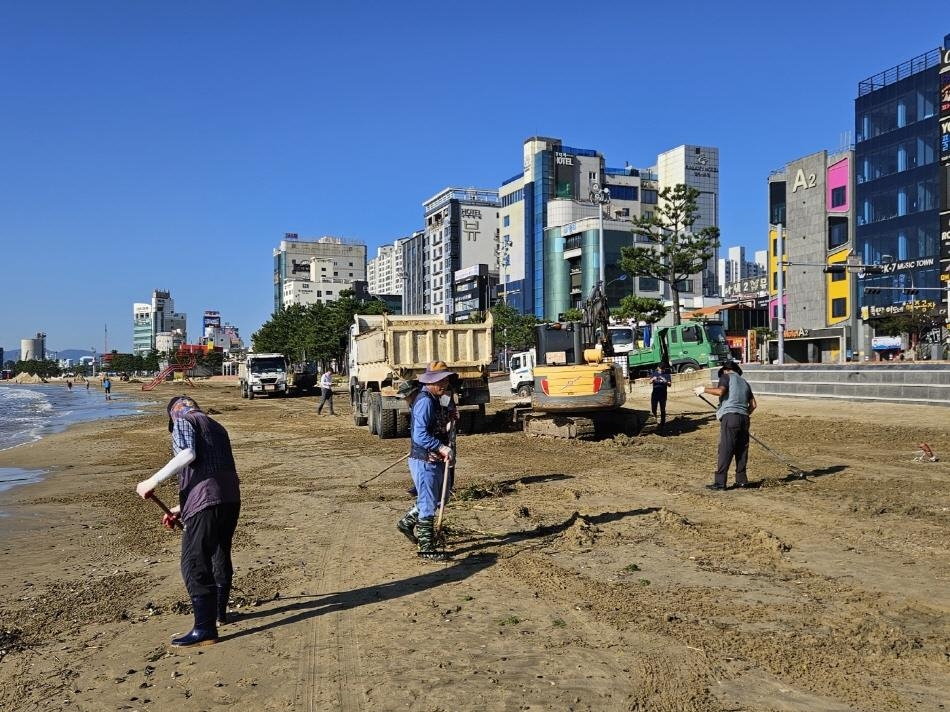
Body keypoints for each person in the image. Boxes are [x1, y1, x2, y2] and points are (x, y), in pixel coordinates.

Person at [135, 396, 241, 647]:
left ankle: (204, 629)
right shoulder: (217, 426)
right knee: (219, 553)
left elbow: (188, 453)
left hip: (207, 500)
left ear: (173, 413)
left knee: (194, 562)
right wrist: (181, 508)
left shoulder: (184, 421)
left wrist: (152, 481)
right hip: (229, 499)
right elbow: (214, 472)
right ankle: (218, 614)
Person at [405, 366, 455, 561]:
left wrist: (449, 417)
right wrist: (441, 447)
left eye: (446, 380)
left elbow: (441, 421)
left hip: (436, 459)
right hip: (425, 459)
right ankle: (426, 547)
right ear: (430, 382)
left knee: (436, 499)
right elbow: (420, 435)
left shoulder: (437, 399)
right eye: (441, 381)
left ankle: (406, 522)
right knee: (427, 503)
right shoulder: (425, 401)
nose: (445, 384)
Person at [694, 360, 756, 490]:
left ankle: (720, 482)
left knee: (725, 449)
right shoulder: (745, 383)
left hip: (731, 417)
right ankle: (742, 481)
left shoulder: (726, 376)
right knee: (741, 450)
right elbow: (754, 405)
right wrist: (743, 414)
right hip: (744, 418)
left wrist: (703, 389)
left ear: (726, 370)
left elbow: (720, 392)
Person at [394, 379, 422, 544]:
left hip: (420, 452)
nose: (405, 399)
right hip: (421, 454)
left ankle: (409, 520)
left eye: (406, 396)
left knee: (433, 496)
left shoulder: (420, 404)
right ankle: (407, 522)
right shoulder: (418, 405)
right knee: (430, 498)